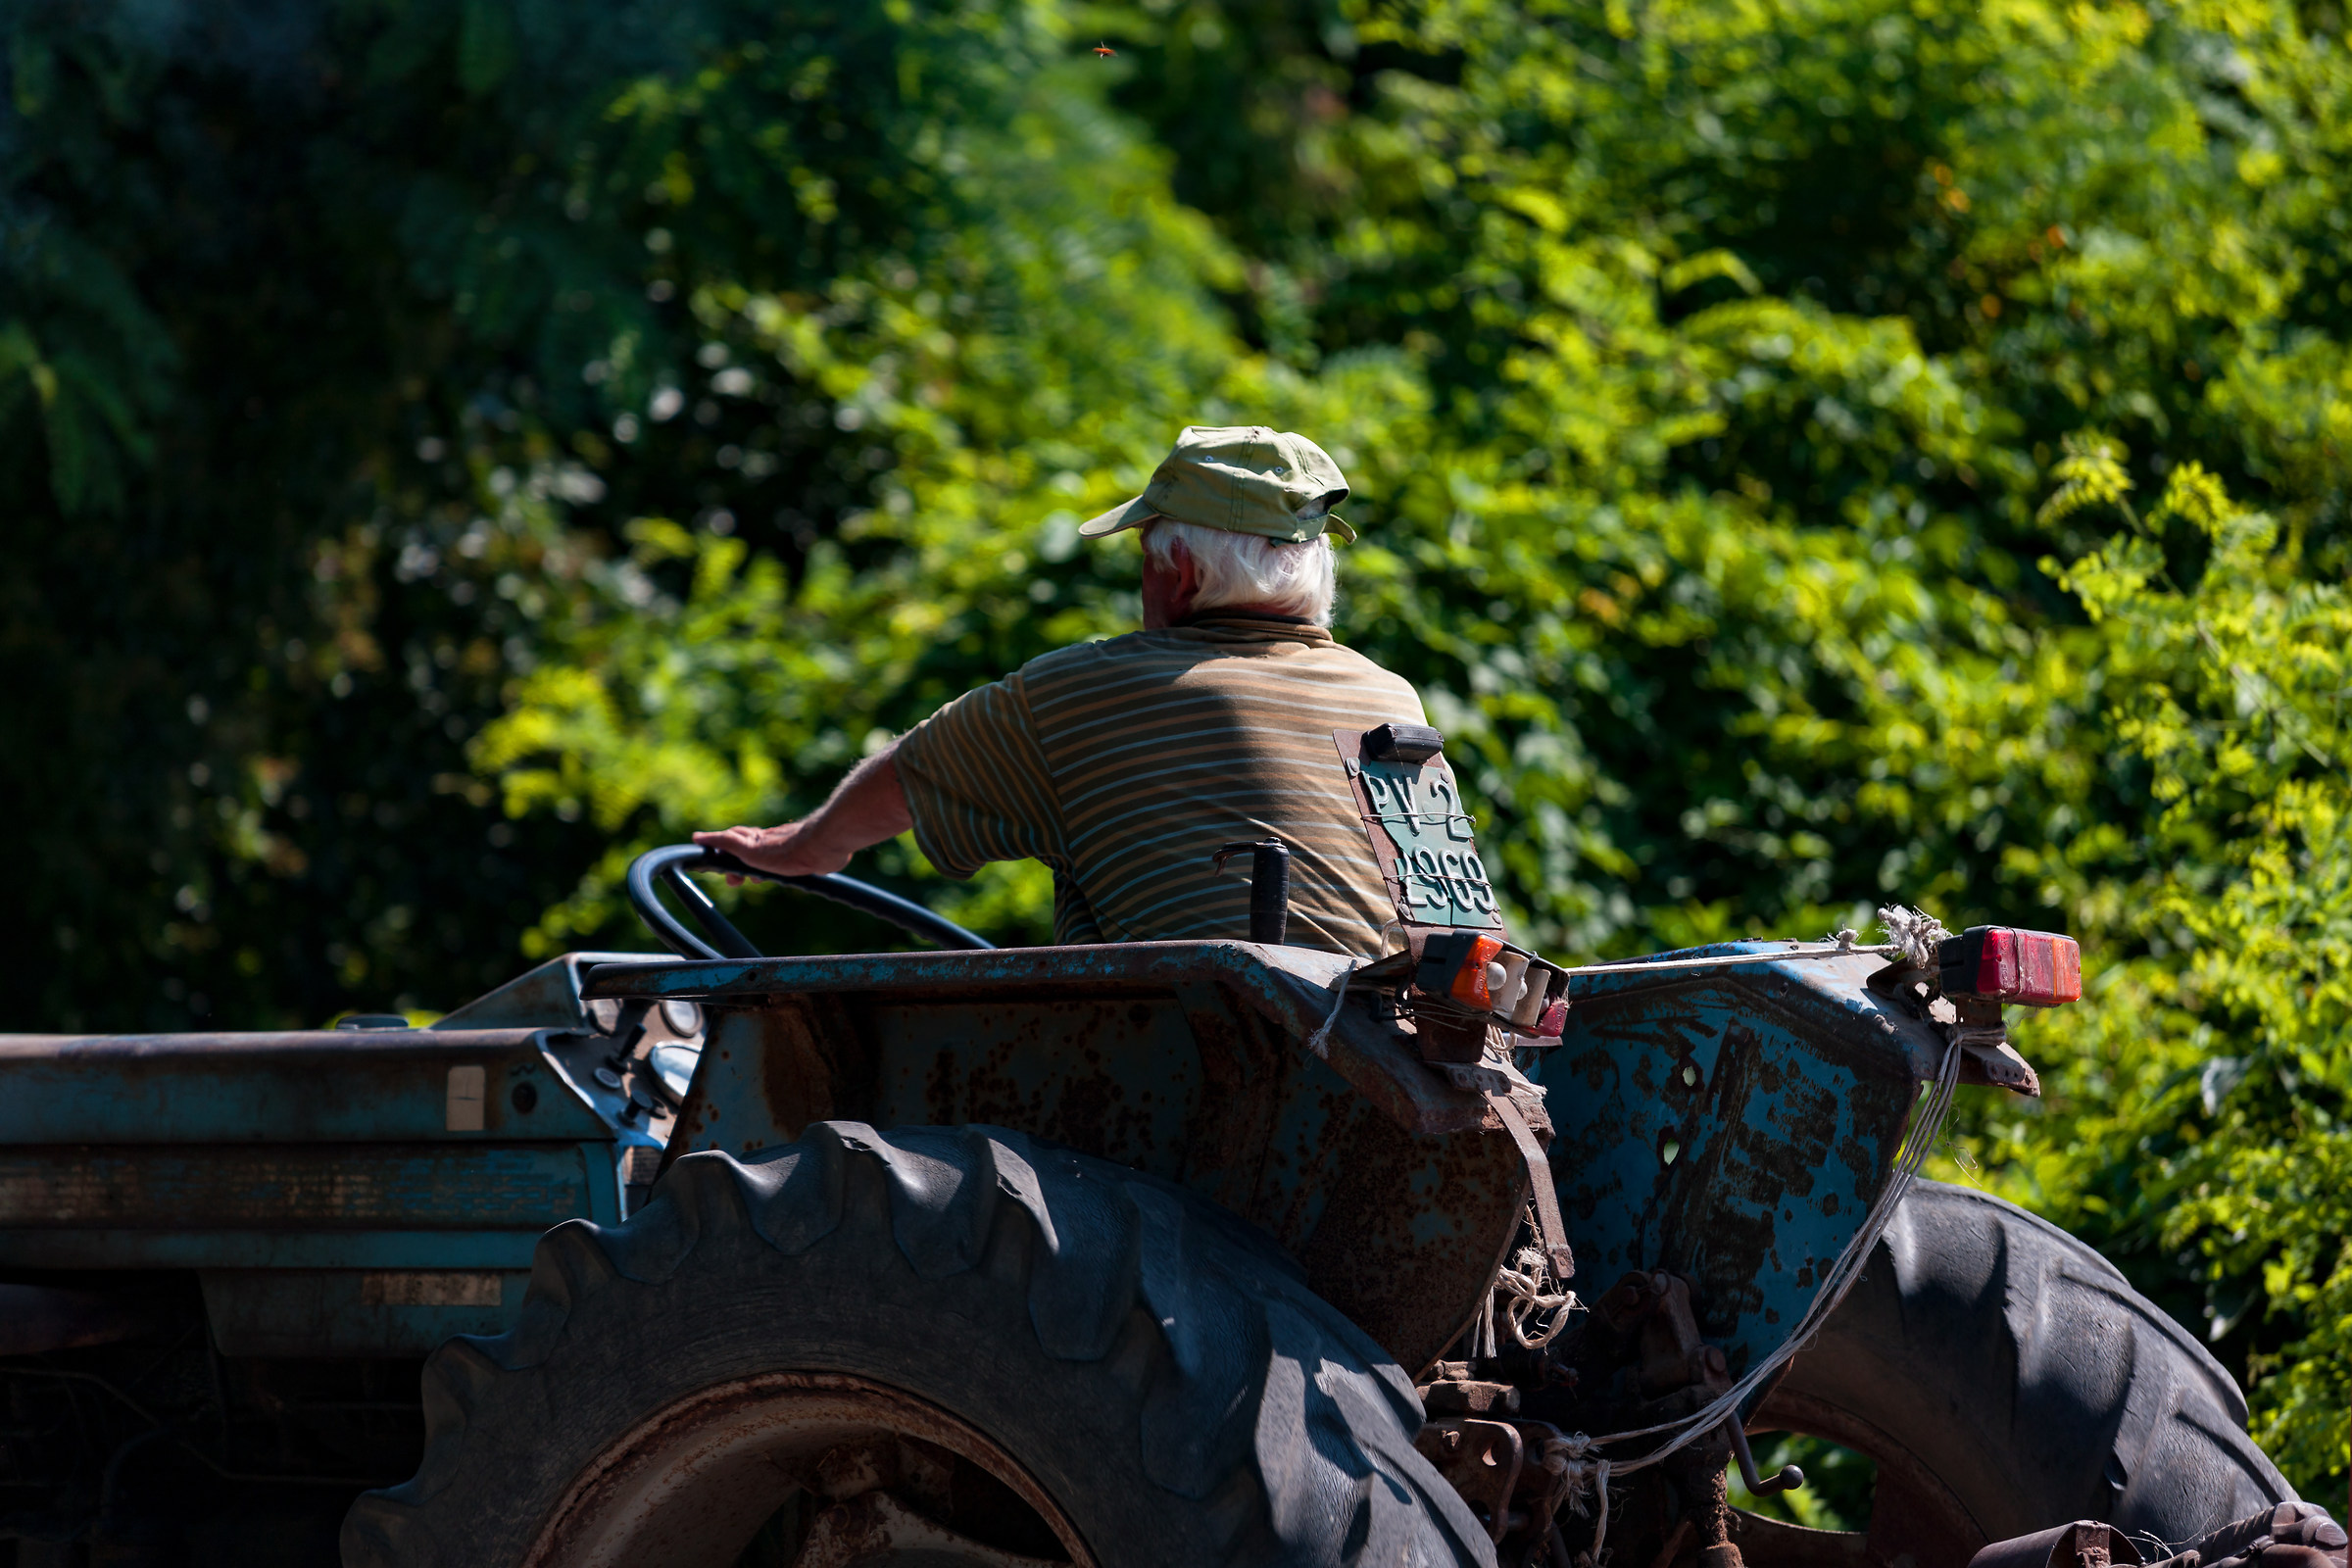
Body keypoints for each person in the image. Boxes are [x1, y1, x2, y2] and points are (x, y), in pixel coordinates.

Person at [693, 424, 1429, 955]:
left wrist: (803, 848)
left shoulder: (1084, 692)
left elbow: (909, 776)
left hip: (1203, 1076)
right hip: (1406, 1057)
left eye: (1145, 556)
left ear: (1180, 575)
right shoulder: (1392, 700)